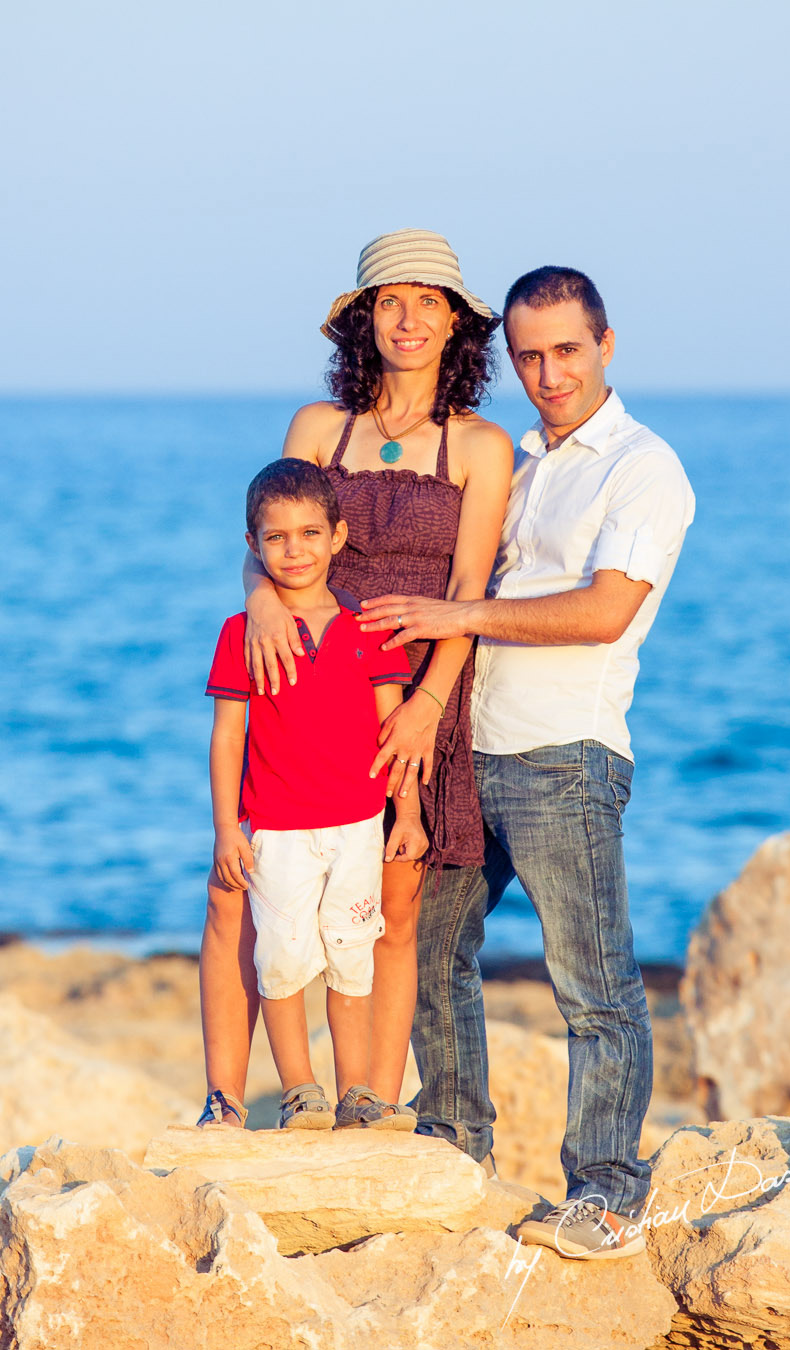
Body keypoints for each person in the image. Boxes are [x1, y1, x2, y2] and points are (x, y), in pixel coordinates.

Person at [358, 265, 696, 1255]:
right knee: (426, 952)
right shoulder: (519, 459)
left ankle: (605, 1194)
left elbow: (604, 609)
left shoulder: (643, 465)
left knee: (592, 986)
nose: (550, 374)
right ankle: (456, 1147)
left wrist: (459, 615)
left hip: (565, 756)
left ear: (607, 344)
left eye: (568, 351)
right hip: (466, 747)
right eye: (531, 356)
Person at [198, 229, 513, 1126]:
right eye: (388, 300)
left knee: (390, 905)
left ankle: (365, 1101)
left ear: (455, 322)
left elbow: (469, 593)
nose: (408, 319)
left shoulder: (480, 447)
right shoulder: (317, 426)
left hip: (411, 695)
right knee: (244, 894)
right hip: (294, 681)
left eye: (428, 301)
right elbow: (271, 533)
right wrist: (260, 598)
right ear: (361, 320)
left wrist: (425, 706)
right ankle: (225, 1096)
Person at [199, 458, 426, 1131]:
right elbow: (227, 739)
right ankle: (300, 1090)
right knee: (284, 956)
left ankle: (356, 1091)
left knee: (352, 954)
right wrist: (225, 829)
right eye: (276, 538)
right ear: (252, 546)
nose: (293, 550)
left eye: (308, 533)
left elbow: (396, 734)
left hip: (358, 825)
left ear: (338, 536)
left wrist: (406, 812)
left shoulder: (368, 630)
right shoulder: (242, 635)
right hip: (276, 828)